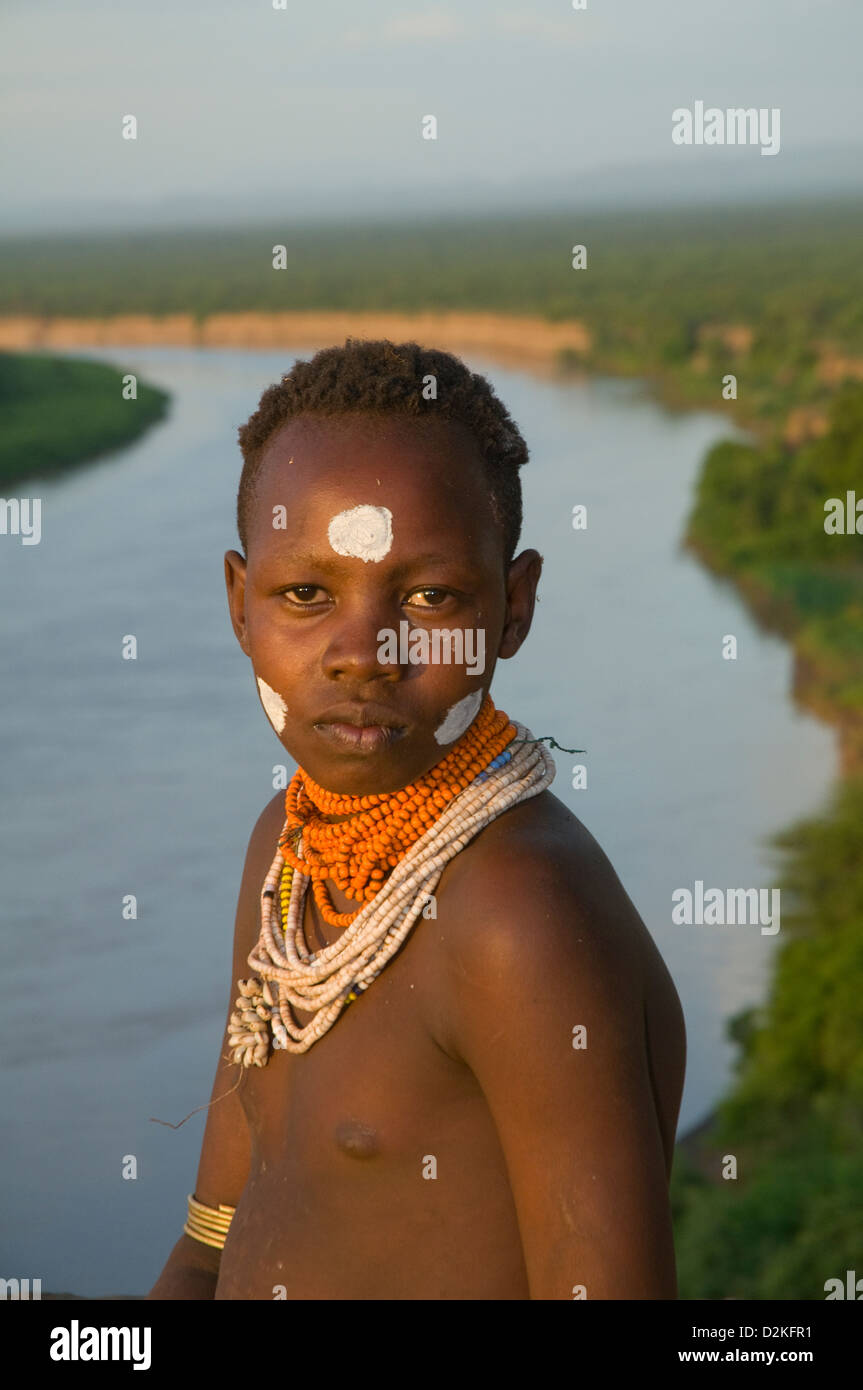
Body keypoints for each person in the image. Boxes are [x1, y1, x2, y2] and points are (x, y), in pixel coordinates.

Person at [148, 338, 686, 1301]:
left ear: (513, 609)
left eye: (430, 597)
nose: (364, 653)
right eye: (304, 595)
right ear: (239, 604)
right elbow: (209, 1243)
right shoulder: (288, 845)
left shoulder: (516, 912)